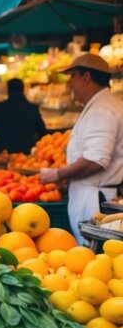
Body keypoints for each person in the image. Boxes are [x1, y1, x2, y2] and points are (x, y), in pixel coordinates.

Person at [39, 54, 123, 240]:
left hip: (96, 200)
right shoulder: (108, 105)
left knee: (93, 257)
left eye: (72, 77)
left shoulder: (101, 110)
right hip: (99, 195)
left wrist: (58, 174)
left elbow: (95, 160)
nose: (70, 84)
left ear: (86, 77)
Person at [0, 78, 46, 154]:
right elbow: (42, 131)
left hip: (3, 153)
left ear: (8, 90)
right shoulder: (32, 108)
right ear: (23, 90)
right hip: (27, 153)